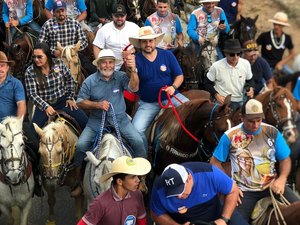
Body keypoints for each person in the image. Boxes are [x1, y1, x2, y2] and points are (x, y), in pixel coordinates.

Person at [210, 99, 300, 222]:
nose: (256, 125)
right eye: (251, 121)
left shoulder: (272, 132)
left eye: (259, 120)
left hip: (272, 185)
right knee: (236, 222)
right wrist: (230, 186)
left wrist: (282, 178)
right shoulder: (229, 136)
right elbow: (215, 162)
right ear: (242, 117)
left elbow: (285, 159)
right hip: (244, 191)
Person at [73, 49, 147, 197]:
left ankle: (142, 179)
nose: (107, 65)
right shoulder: (90, 81)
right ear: (98, 64)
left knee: (139, 141)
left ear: (114, 64)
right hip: (96, 121)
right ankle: (79, 181)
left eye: (110, 62)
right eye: (104, 62)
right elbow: (80, 102)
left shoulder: (120, 77)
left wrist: (133, 71)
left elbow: (134, 87)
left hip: (120, 120)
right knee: (80, 146)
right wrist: (97, 105)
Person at [128, 26, 189, 135]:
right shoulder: (135, 59)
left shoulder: (167, 55)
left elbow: (179, 76)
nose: (148, 44)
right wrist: (132, 70)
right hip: (148, 103)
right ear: (139, 43)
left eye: (150, 41)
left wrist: (173, 87)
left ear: (155, 41)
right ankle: (143, 152)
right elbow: (134, 88)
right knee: (136, 131)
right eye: (144, 41)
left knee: (191, 114)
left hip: (171, 97)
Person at [0, 51, 42, 196]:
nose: (0, 69)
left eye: (2, 65)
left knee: (36, 147)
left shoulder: (16, 83)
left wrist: (17, 125)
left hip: (16, 123)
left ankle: (36, 179)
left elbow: (22, 105)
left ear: (7, 67)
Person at [150, 162, 249, 225]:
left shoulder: (209, 173)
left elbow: (233, 190)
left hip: (215, 213)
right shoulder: (159, 188)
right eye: (174, 193)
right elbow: (156, 214)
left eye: (181, 190)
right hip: (182, 220)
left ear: (189, 178)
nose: (179, 196)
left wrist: (224, 219)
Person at [24, 42, 88, 131]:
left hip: (63, 101)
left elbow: (69, 79)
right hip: (43, 105)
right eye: (34, 57)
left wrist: (69, 97)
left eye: (39, 57)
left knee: (84, 121)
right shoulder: (30, 71)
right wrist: (45, 106)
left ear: (47, 55)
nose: (36, 59)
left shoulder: (59, 64)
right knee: (33, 132)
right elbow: (32, 94)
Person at [77, 155, 151, 225]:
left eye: (137, 176)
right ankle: (77, 183)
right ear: (119, 181)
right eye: (133, 177)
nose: (138, 180)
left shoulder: (138, 195)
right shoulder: (100, 203)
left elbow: (142, 220)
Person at [39, 0, 96, 75]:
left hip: (73, 55)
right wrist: (53, 51)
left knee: (92, 70)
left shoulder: (74, 23)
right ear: (54, 13)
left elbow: (84, 41)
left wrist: (75, 48)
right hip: (55, 58)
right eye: (58, 11)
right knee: (52, 74)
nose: (61, 13)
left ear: (66, 11)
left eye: (62, 10)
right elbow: (41, 44)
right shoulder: (47, 25)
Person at [204, 39, 254, 110]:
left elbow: (250, 80)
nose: (236, 57)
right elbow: (207, 83)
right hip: (222, 101)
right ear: (225, 54)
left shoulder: (245, 64)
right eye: (232, 54)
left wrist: (251, 88)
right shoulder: (216, 66)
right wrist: (216, 95)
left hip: (240, 100)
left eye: (238, 54)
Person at [93, 4, 140, 71]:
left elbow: (142, 45)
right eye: (116, 16)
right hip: (110, 67)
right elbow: (96, 46)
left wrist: (132, 51)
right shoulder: (104, 29)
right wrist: (99, 64)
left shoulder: (134, 27)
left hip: (131, 64)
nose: (119, 18)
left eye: (122, 16)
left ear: (126, 16)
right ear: (112, 16)